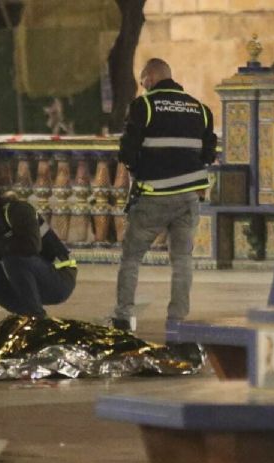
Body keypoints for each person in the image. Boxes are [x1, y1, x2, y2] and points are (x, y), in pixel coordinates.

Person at [111, 58, 217, 331]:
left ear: (151, 76)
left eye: (142, 80)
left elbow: (127, 151)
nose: (142, 86)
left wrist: (139, 169)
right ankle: (177, 320)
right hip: (189, 198)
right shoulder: (200, 109)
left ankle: (124, 317)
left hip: (153, 195)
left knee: (132, 257)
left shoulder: (143, 106)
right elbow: (208, 154)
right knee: (182, 260)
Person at [0, 185, 77, 323]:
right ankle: (26, 315)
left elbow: (31, 246)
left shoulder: (18, 210)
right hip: (33, 281)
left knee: (12, 258)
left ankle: (37, 319)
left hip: (59, 278)